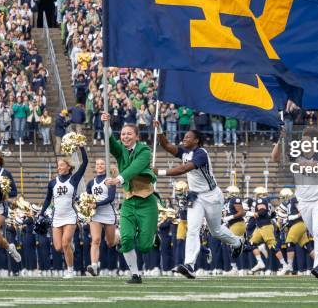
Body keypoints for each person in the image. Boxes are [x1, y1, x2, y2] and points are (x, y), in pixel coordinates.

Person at [154, 120, 244, 279]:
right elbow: (167, 145)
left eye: (188, 137)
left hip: (212, 195)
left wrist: (159, 172)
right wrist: (159, 129)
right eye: (185, 136)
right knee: (193, 229)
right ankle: (189, 265)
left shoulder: (201, 153)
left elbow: (183, 169)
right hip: (196, 196)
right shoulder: (184, 152)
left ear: (196, 141)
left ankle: (237, 243)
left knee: (216, 231)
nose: (184, 138)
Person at [102, 115, 158, 284]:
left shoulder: (145, 151)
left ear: (136, 136)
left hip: (147, 202)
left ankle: (152, 237)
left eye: (129, 134)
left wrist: (117, 179)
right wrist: (107, 125)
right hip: (129, 202)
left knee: (145, 246)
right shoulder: (120, 149)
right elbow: (110, 143)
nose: (125, 136)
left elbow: (134, 169)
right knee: (126, 239)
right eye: (123, 134)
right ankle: (135, 274)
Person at [271, 126, 318, 279]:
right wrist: (281, 140)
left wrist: (297, 164)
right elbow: (275, 158)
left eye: (306, 140)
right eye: (302, 140)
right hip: (304, 202)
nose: (303, 143)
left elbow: (314, 167)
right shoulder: (296, 154)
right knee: (316, 233)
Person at [39, 147, 88, 278]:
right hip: (57, 218)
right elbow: (48, 199)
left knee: (65, 243)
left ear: (68, 167)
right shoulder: (52, 183)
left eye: (62, 165)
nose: (59, 167)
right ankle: (69, 247)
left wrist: (81, 147)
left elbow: (85, 162)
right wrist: (41, 212)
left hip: (70, 216)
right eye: (58, 165)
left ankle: (70, 271)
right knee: (58, 247)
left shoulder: (74, 179)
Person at [85, 158, 117, 277]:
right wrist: (86, 207)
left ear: (106, 166)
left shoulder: (110, 180)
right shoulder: (91, 183)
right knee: (96, 240)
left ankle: (117, 236)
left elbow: (111, 198)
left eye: (102, 164)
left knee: (110, 242)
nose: (99, 166)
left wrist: (96, 204)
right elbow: (87, 198)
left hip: (108, 213)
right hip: (96, 215)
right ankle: (94, 266)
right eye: (97, 164)